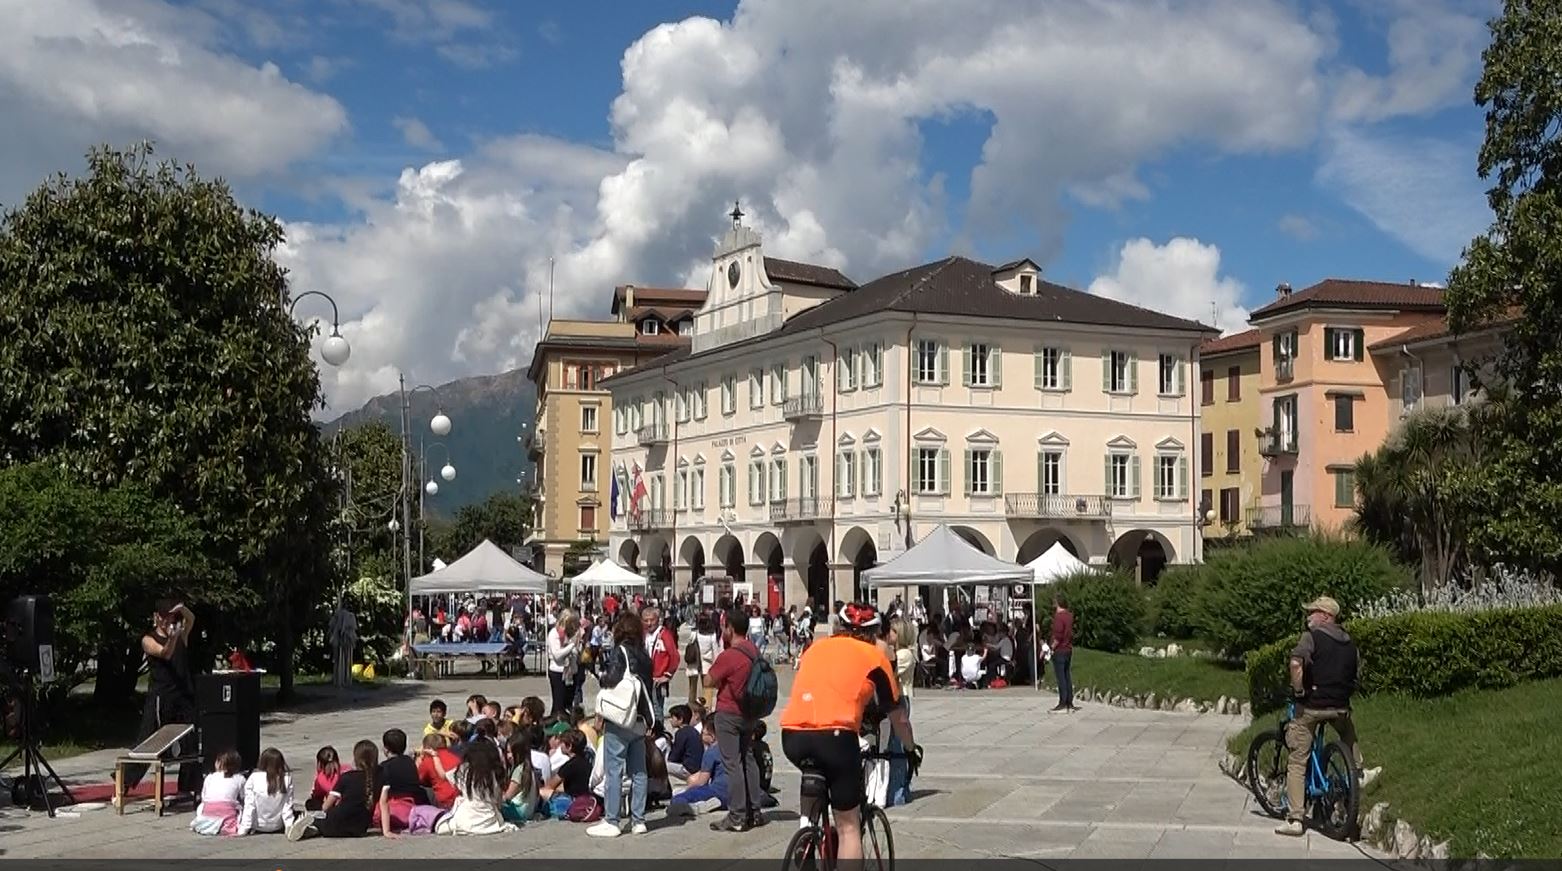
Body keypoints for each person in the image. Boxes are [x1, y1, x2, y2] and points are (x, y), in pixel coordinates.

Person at [781, 603, 919, 866]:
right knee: (848, 826)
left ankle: (806, 833)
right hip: (836, 737)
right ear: (874, 633)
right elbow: (898, 717)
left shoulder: (815, 648)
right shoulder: (874, 657)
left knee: (814, 776)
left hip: (792, 734)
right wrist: (911, 749)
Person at [1276, 596, 1364, 838]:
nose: (1308, 616)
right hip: (1340, 706)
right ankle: (1357, 770)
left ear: (1325, 616)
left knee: (1297, 759)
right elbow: (1356, 673)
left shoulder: (1311, 637)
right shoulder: (1349, 642)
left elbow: (1296, 664)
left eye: (1312, 612)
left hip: (1312, 707)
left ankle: (1295, 819)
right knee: (1346, 730)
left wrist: (1298, 690)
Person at [122, 599, 201, 798]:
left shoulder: (181, 635)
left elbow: (191, 619)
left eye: (171, 617)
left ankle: (188, 786)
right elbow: (165, 653)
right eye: (164, 617)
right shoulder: (148, 639)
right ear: (157, 617)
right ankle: (125, 782)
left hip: (183, 695)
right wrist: (172, 638)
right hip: (161, 696)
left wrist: (182, 609)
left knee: (190, 741)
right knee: (148, 740)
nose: (168, 621)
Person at [588, 611, 655, 838]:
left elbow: (613, 678)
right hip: (639, 718)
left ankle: (612, 820)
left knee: (614, 769)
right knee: (639, 770)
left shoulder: (621, 651)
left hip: (620, 718)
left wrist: (601, 676)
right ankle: (638, 820)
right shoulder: (645, 656)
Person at [703, 608, 765, 832]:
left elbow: (709, 680)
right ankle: (754, 811)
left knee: (732, 763)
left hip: (729, 713)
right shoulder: (753, 650)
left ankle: (737, 815)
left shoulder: (730, 655)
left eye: (723, 626)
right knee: (748, 759)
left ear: (729, 628)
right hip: (749, 713)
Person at [288, 740, 392, 840]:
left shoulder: (346, 777)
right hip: (359, 828)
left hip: (334, 823)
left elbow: (326, 807)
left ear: (356, 758)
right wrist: (387, 831)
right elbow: (384, 804)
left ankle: (312, 825)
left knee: (318, 819)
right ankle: (315, 828)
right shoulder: (382, 776)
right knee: (327, 824)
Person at [421, 738, 517, 835]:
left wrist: (435, 756)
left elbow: (442, 775)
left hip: (468, 816)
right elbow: (498, 800)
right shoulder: (495, 773)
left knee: (440, 826)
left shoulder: (465, 770)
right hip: (490, 818)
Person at [666, 718, 726, 816]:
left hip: (717, 792)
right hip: (736, 796)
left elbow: (702, 782)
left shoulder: (711, 752)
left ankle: (696, 806)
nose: (701, 736)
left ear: (712, 736)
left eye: (703, 733)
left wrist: (689, 787)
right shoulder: (734, 748)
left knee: (678, 798)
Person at [189, 749, 245, 835]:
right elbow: (243, 797)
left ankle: (207, 822)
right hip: (226, 811)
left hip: (208, 809)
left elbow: (204, 797)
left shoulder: (210, 777)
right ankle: (226, 824)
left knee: (202, 807)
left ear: (219, 763)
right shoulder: (240, 778)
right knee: (238, 809)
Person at [378, 729, 422, 833]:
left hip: (395, 808)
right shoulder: (410, 761)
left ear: (386, 749)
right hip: (414, 805)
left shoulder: (384, 767)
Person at [643, 607, 679, 722]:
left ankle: (659, 731)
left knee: (657, 709)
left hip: (657, 680)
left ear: (658, 619)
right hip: (645, 678)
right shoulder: (643, 634)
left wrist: (667, 675)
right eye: (646, 620)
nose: (649, 623)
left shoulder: (665, 635)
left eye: (652, 620)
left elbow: (675, 656)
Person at [548, 611, 583, 716]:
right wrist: (572, 645)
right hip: (558, 672)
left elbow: (575, 652)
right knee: (558, 705)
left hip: (570, 673)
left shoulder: (570, 635)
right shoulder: (554, 633)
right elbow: (557, 655)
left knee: (568, 704)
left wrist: (578, 645)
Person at [416, 734, 460, 809]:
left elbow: (418, 778)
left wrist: (419, 757)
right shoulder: (455, 757)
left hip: (444, 800)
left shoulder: (428, 761)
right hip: (459, 796)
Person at [1049, 597, 1076, 712]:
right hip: (1068, 648)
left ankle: (1063, 701)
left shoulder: (1059, 617)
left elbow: (1058, 635)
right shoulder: (1069, 616)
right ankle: (1069, 701)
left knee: (1061, 677)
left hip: (1060, 649)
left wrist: (1052, 647)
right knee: (1067, 675)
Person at [664, 704, 703, 781]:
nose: (670, 720)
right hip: (698, 768)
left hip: (688, 769)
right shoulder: (694, 731)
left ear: (680, 719)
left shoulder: (681, 733)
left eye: (672, 717)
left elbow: (675, 755)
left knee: (662, 766)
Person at [306, 746, 341, 811]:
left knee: (310, 803)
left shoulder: (321, 778)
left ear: (319, 764)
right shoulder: (347, 769)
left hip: (336, 807)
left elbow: (317, 795)